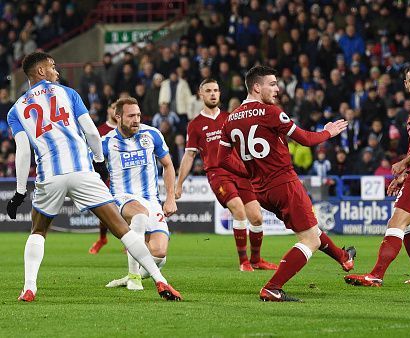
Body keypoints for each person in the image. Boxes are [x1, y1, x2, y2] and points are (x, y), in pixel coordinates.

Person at [5, 52, 181, 302]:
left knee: (38, 231)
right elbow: (90, 131)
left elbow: (23, 151)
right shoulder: (68, 93)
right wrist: (99, 163)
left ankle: (29, 287)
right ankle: (161, 281)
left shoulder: (16, 110)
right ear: (40, 71)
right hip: (82, 170)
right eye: (52, 66)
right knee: (122, 229)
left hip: (50, 174)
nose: (56, 70)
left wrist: (20, 191)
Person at [217, 66, 355, 302]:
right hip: (284, 183)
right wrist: (328, 132)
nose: (277, 89)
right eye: (272, 84)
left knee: (310, 229)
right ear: (257, 87)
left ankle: (343, 257)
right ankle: (273, 287)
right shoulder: (270, 112)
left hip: (261, 190)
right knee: (310, 239)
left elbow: (221, 159)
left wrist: (250, 172)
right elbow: (305, 139)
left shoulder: (230, 120)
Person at [344, 63, 410, 287]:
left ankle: (376, 275)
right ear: (406, 84)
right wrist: (405, 173)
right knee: (405, 223)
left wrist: (403, 163)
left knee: (396, 222)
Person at [176, 78, 278, 272]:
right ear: (201, 95)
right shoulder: (195, 125)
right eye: (208, 91)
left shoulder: (230, 118)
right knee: (238, 210)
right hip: (218, 174)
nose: (213, 94)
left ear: (220, 93)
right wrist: (179, 184)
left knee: (256, 218)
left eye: (216, 90)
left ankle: (256, 260)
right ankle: (243, 262)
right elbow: (189, 155)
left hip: (240, 172)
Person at [102, 97, 177, 290]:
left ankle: (129, 275)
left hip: (151, 199)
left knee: (159, 255)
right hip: (122, 198)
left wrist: (170, 198)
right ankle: (134, 278)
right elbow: (89, 168)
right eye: (131, 116)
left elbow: (168, 165)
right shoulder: (106, 142)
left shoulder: (152, 134)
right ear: (117, 117)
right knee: (140, 214)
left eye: (138, 115)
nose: (136, 119)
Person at [89, 103, 117, 254]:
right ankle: (102, 238)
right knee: (104, 211)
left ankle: (129, 242)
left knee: (126, 209)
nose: (114, 110)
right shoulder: (99, 131)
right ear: (108, 110)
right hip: (105, 178)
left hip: (122, 178)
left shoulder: (125, 130)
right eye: (112, 107)